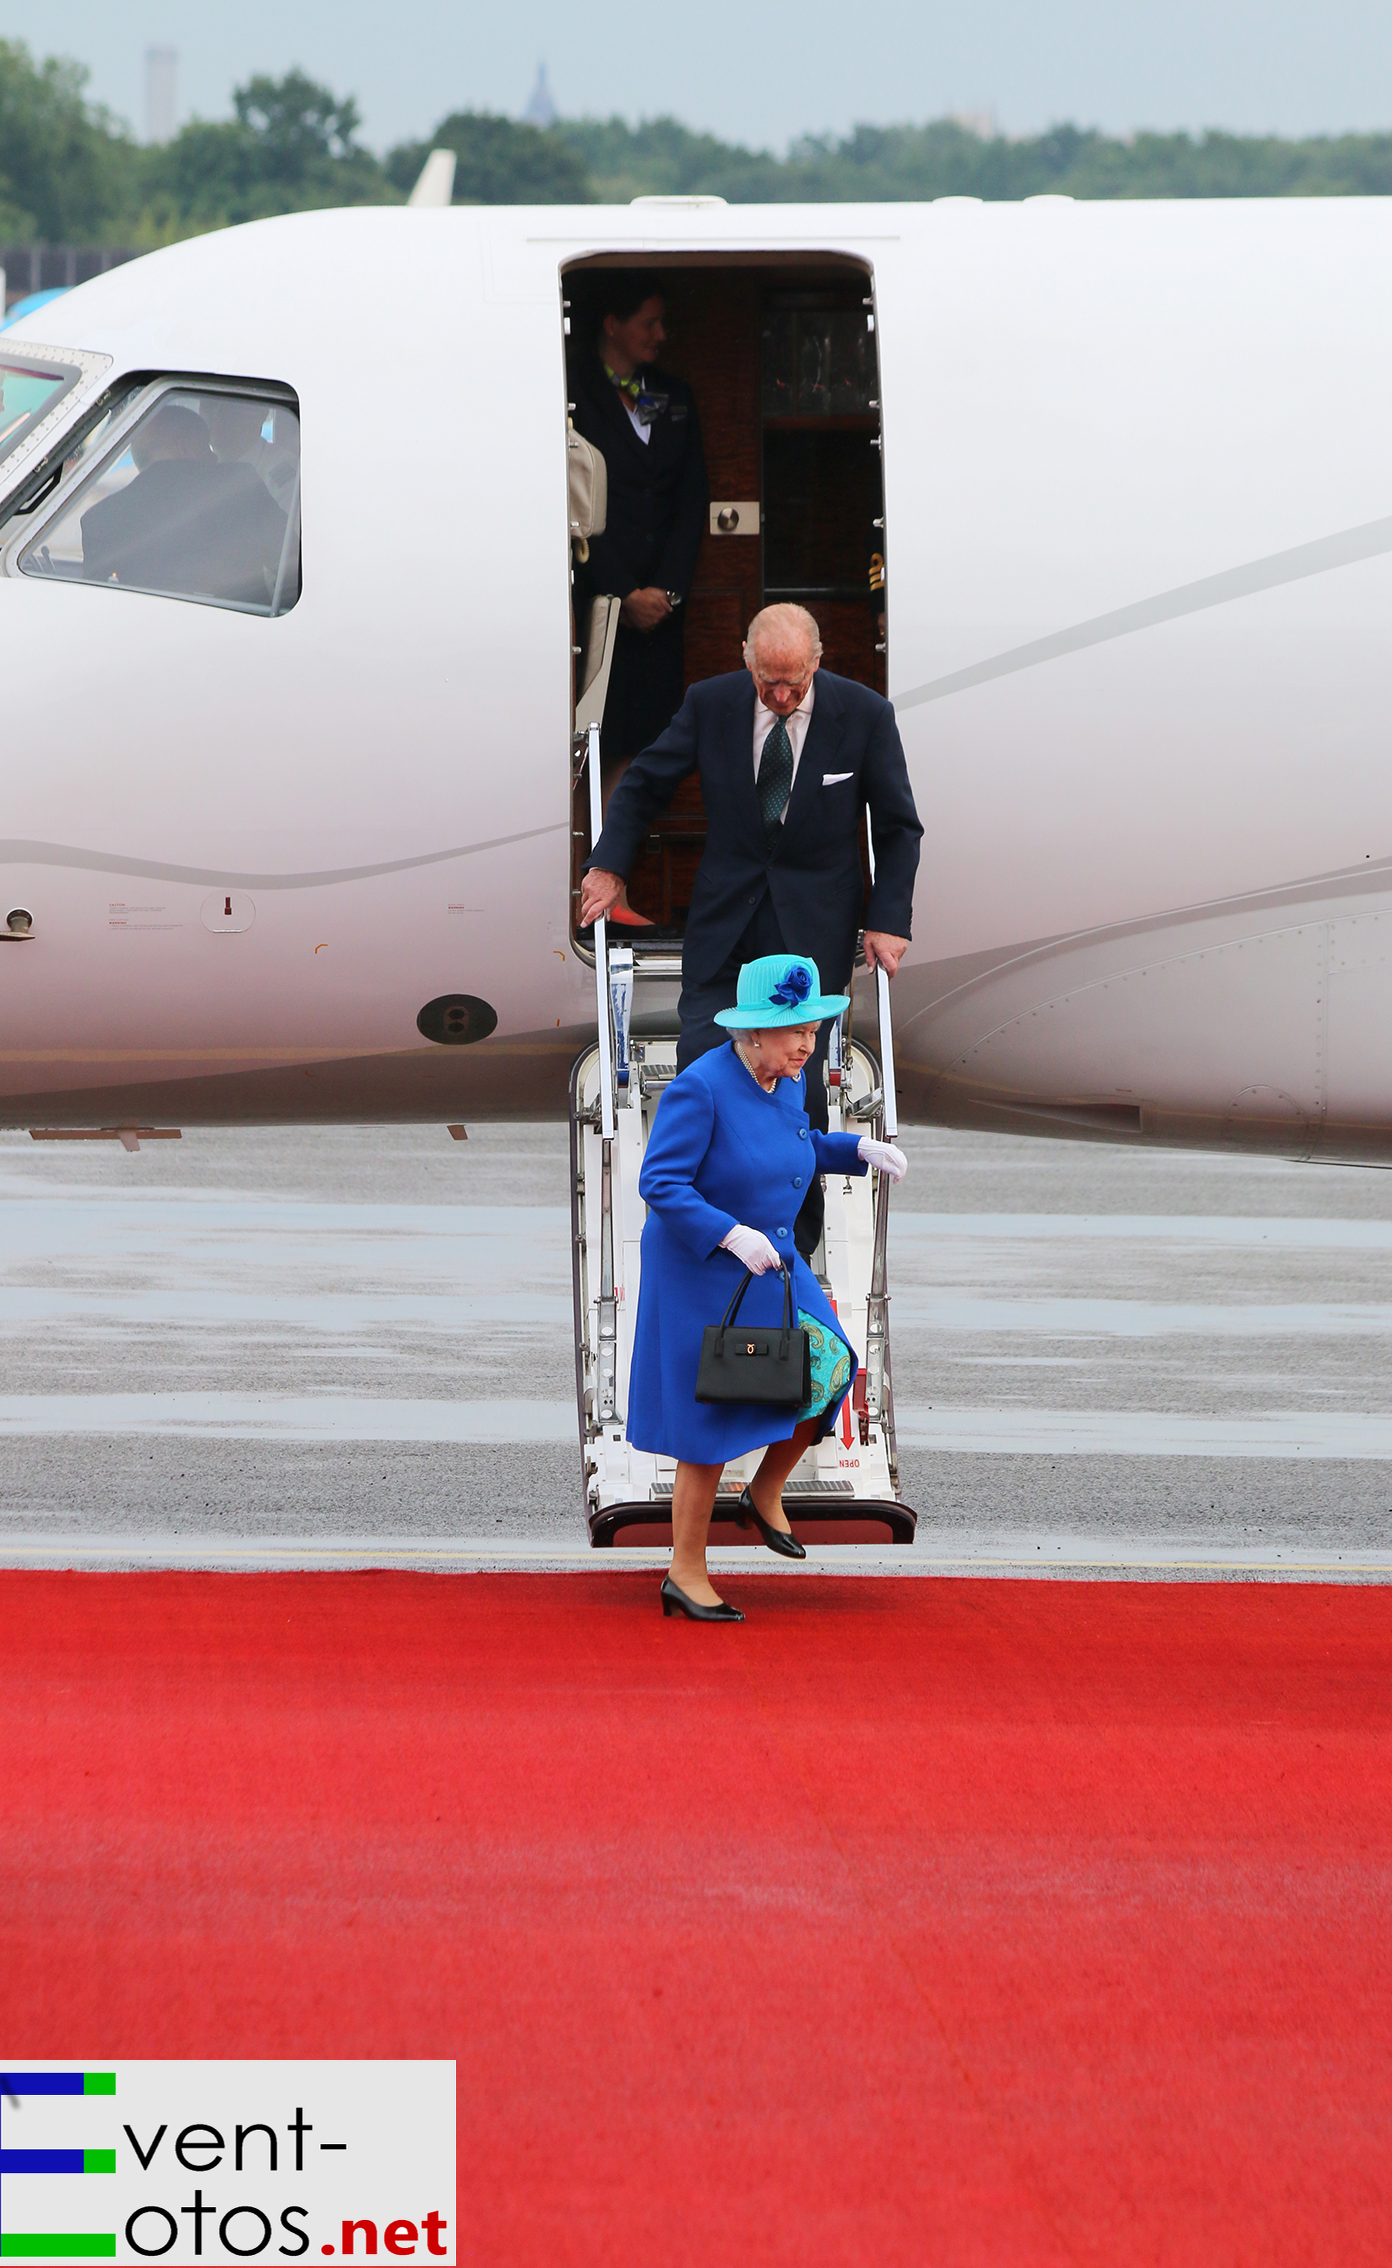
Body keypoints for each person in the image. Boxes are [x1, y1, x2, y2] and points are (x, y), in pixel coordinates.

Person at [581, 602, 922, 1253]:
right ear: (746, 659)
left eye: (795, 679)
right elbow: (648, 782)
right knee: (703, 1070)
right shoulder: (712, 704)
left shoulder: (864, 715)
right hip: (725, 928)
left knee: (797, 1085)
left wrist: (888, 920)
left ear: (818, 662)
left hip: (809, 934)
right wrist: (608, 865)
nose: (784, 694)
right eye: (769, 680)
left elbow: (897, 825)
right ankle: (705, 1228)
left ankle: (796, 1243)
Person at [629, 953, 908, 1621]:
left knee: (832, 1362)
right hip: (704, 1272)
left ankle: (763, 1492)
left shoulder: (785, 1083)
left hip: (775, 1264)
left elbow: (797, 1143)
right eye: (796, 1032)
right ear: (754, 1033)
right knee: (707, 1426)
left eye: (814, 1030)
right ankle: (685, 1573)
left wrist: (852, 1150)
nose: (808, 1045)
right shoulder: (702, 1088)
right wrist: (730, 1234)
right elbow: (660, 1183)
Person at [567, 272, 708, 763]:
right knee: (602, 740)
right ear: (612, 324)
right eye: (650, 324)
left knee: (655, 745)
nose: (661, 335)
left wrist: (665, 591)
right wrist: (624, 592)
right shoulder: (572, 396)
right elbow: (571, 507)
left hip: (660, 613)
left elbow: (689, 501)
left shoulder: (666, 395)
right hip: (601, 607)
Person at [81, 402, 287, 606]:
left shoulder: (99, 520)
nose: (214, 456)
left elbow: (94, 602)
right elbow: (291, 559)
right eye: (206, 446)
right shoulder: (238, 484)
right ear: (184, 445)